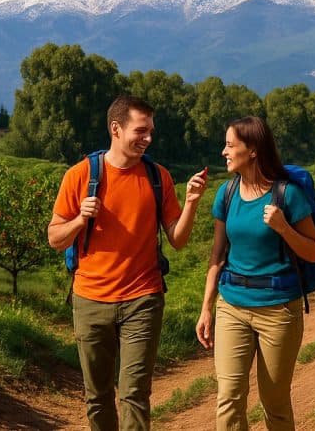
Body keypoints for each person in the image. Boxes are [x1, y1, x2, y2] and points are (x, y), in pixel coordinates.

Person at [48, 95, 208, 431]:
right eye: (141, 131)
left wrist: (191, 202)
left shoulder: (157, 177)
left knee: (135, 394)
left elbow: (177, 240)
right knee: (98, 396)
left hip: (143, 298)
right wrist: (80, 220)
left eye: (150, 131)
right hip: (90, 300)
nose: (148, 138)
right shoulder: (80, 176)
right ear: (116, 129)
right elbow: (55, 237)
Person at [195, 116, 315, 430]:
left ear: (252, 151)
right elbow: (217, 255)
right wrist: (206, 307)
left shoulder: (287, 195)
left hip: (278, 311)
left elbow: (313, 251)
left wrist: (283, 228)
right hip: (232, 306)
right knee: (228, 397)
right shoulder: (226, 193)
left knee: (275, 403)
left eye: (230, 145)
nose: (224, 151)